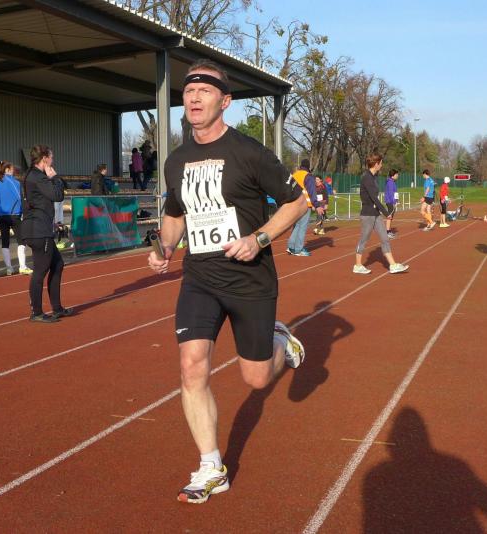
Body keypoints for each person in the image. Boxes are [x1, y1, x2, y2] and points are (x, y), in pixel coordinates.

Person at [147, 60, 308, 504]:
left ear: (225, 101)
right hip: (200, 279)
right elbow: (175, 214)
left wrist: (259, 239)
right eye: (189, 91)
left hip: (249, 280)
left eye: (205, 90)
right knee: (191, 366)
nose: (194, 97)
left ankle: (282, 343)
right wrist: (165, 247)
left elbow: (298, 202)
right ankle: (210, 466)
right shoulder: (177, 161)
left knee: (256, 379)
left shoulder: (249, 153)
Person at [21, 144, 73, 322]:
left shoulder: (30, 175)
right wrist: (55, 178)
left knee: (57, 264)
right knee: (40, 270)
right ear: (44, 158)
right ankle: (36, 312)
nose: (53, 160)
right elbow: (57, 195)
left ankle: (57, 308)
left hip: (38, 227)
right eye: (51, 157)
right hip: (38, 230)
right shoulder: (38, 177)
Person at [353, 153, 409, 275]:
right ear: (376, 163)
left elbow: (375, 197)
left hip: (376, 213)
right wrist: (386, 212)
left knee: (385, 238)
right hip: (368, 214)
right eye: (381, 163)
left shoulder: (374, 177)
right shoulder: (366, 177)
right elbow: (373, 198)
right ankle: (357, 265)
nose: (382, 165)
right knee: (364, 239)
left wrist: (381, 212)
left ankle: (393, 265)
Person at [0, 161, 31, 276]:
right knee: (21, 240)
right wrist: (23, 213)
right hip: (13, 215)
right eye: (12, 169)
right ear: (7, 170)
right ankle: (22, 266)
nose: (14, 171)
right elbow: (20, 198)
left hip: (0, 216)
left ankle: (9, 268)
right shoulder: (15, 183)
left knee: (5, 241)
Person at [286, 159, 315, 256]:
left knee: (296, 226)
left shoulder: (294, 174)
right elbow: (312, 191)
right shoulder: (308, 176)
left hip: (294, 203)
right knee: (302, 226)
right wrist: (316, 204)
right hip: (305, 203)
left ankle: (291, 246)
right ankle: (298, 249)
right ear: (308, 166)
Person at [384, 168, 399, 237]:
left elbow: (395, 192)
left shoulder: (392, 182)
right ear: (393, 175)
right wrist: (394, 202)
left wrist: (397, 200)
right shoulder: (390, 182)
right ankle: (387, 232)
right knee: (389, 216)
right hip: (390, 202)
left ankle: (389, 231)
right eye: (396, 174)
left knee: (391, 216)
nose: (397, 176)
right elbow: (390, 193)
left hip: (392, 201)